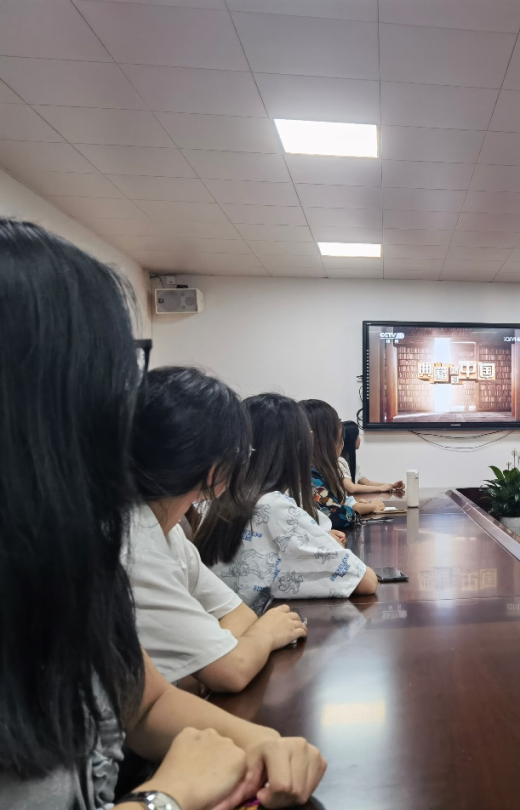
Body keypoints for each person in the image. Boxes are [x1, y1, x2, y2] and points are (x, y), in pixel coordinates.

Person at [0, 219, 323, 809]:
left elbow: (144, 702)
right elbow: (221, 668)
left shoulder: (71, 553)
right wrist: (165, 798)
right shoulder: (125, 536)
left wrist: (266, 743)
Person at [128, 366, 308, 693]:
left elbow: (238, 614)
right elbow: (231, 670)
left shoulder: (167, 532)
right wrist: (263, 636)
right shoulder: (137, 543)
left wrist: (216, 655)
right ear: (215, 471)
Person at [197, 393, 378, 613]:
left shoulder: (221, 499)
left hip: (230, 623)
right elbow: (367, 581)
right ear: (296, 448)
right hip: (256, 625)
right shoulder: (273, 506)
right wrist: (326, 545)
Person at [300, 400, 384, 526]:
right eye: (337, 423)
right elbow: (337, 516)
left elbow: (339, 502)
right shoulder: (309, 472)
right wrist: (371, 507)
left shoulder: (320, 469)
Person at [339, 419, 404, 496]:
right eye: (357, 436)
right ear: (351, 439)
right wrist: (380, 488)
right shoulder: (339, 462)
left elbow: (367, 483)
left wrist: (391, 486)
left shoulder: (350, 462)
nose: (359, 439)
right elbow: (351, 488)